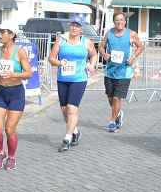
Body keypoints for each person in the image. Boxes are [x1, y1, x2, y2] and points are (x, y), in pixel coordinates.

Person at [49, 19, 98, 151]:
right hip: (63, 79)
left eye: (77, 26)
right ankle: (75, 131)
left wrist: (91, 65)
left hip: (79, 79)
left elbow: (93, 55)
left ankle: (67, 138)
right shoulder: (61, 40)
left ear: (81, 29)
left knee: (72, 108)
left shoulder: (86, 42)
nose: (74, 28)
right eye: (72, 25)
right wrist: (59, 63)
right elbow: (51, 58)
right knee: (65, 111)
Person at [0, 22, 32, 170]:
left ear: (12, 35)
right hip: (0, 93)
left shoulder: (20, 52)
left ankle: (12, 157)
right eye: (0, 32)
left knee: (9, 130)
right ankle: (0, 153)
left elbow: (28, 73)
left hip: (16, 93)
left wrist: (14, 74)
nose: (0, 35)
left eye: (3, 32)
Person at [99, 12, 144, 132]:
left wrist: (133, 57)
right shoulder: (109, 33)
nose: (119, 22)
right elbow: (101, 46)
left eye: (121, 20)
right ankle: (118, 114)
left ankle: (112, 122)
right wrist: (104, 54)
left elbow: (140, 46)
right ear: (114, 22)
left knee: (116, 98)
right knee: (110, 97)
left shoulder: (131, 34)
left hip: (125, 71)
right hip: (110, 71)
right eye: (117, 20)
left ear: (125, 22)